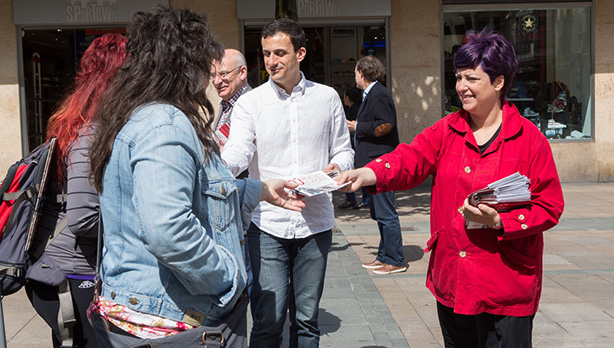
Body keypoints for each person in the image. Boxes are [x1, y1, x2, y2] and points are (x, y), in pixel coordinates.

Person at [88, 7, 304, 347]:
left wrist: (257, 189)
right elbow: (168, 230)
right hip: (171, 318)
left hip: (144, 311)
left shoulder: (138, 116)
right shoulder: (164, 124)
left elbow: (198, 190)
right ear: (187, 64)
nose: (210, 74)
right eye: (206, 62)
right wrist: (226, 277)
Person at [335, 29, 564, 347]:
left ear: (498, 82)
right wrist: (367, 173)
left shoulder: (529, 140)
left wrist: (499, 221)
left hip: (506, 285)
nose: (461, 87)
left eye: (471, 78)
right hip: (453, 277)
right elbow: (409, 158)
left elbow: (549, 205)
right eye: (458, 78)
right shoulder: (447, 129)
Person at [221, 18, 354, 348]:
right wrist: (218, 168)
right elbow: (238, 149)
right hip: (267, 225)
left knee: (307, 320)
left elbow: (343, 149)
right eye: (266, 54)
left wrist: (337, 166)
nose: (271, 61)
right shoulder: (251, 104)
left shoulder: (326, 98)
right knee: (269, 319)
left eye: (280, 53)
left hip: (316, 222)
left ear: (301, 53)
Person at [24, 33, 127, 348]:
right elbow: (83, 219)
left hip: (79, 274)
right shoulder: (89, 133)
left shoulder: (98, 127)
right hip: (72, 276)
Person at [347, 55, 406, 275]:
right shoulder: (371, 94)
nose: (355, 77)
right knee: (378, 212)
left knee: (385, 212)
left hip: (381, 163)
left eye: (355, 72)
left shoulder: (378, 93)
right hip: (372, 164)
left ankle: (395, 259)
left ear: (362, 72)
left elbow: (386, 125)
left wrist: (358, 126)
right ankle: (384, 255)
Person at [212, 48, 252, 152]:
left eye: (223, 74)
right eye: (213, 75)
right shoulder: (225, 105)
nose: (216, 81)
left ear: (242, 72)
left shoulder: (253, 104)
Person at [337, 86, 362, 210]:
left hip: (353, 144)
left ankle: (353, 199)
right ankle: (351, 198)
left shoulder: (355, 110)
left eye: (345, 96)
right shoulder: (350, 109)